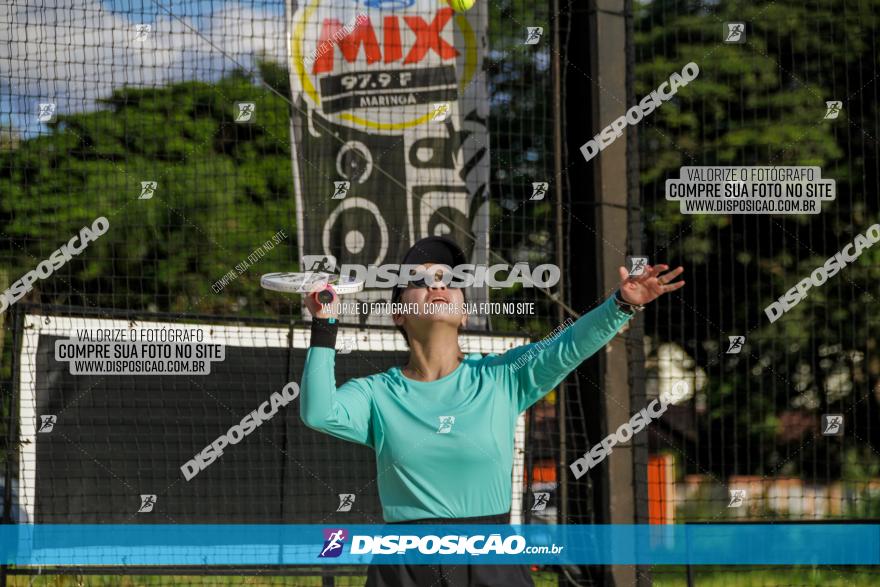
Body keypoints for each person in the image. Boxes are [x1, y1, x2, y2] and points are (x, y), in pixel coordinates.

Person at [300, 236, 684, 587]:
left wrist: (621, 305)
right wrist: (324, 325)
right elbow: (319, 412)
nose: (437, 286)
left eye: (448, 281)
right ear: (398, 313)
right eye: (419, 281)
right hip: (404, 566)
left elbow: (567, 347)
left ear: (465, 312)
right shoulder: (377, 393)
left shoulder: (502, 376)